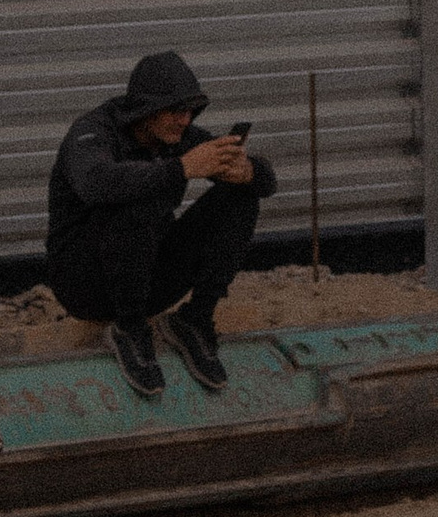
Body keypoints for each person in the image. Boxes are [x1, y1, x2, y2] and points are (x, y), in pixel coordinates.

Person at [46, 49, 276, 398]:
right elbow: (96, 182)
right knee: (138, 193)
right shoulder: (93, 132)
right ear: (146, 110)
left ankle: (195, 319)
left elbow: (266, 184)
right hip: (86, 284)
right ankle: (129, 330)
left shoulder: (178, 135)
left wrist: (248, 172)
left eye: (189, 111)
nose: (184, 120)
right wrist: (181, 169)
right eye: (175, 111)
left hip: (147, 281)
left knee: (239, 196)